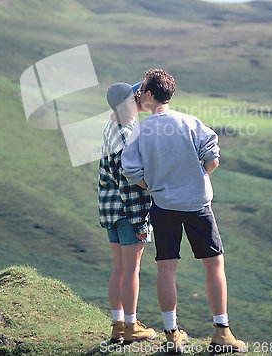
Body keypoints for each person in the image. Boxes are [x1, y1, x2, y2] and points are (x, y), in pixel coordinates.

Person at [122, 69, 247, 354]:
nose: (140, 94)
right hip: (197, 204)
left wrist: (154, 185)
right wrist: (198, 178)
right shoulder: (190, 122)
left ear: (150, 94)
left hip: (163, 206)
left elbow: (131, 172)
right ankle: (222, 331)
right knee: (214, 263)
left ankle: (171, 334)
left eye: (142, 89)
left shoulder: (141, 130)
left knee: (166, 267)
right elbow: (213, 157)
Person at [98, 81, 156, 345]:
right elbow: (128, 180)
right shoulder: (126, 133)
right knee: (131, 271)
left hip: (111, 210)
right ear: (126, 104)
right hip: (128, 210)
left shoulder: (112, 126)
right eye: (135, 96)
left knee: (119, 269)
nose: (139, 98)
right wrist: (139, 220)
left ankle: (118, 325)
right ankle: (132, 327)